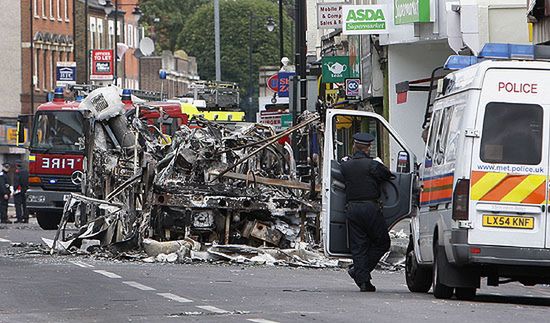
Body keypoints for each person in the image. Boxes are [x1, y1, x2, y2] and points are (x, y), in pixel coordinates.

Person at [340, 133, 393, 292]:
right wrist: (379, 164)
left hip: (352, 208)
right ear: (368, 148)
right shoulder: (372, 165)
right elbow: (387, 176)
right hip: (370, 208)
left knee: (359, 246)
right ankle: (358, 272)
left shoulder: (346, 165)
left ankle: (364, 281)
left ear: (354, 146)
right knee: (382, 242)